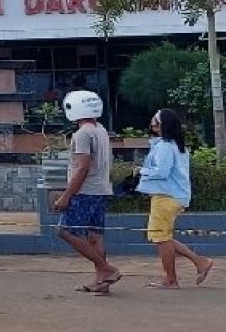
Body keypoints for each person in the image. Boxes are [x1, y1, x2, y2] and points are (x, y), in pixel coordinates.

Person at [51, 89, 121, 295]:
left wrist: (66, 195)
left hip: (84, 191)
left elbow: (82, 167)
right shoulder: (100, 129)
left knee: (65, 231)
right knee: (95, 235)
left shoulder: (82, 134)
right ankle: (102, 281)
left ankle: (107, 270)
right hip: (100, 190)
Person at [136, 109, 214, 289]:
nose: (152, 123)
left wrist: (141, 171)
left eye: (156, 121)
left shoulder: (164, 146)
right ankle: (199, 262)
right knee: (163, 236)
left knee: (161, 238)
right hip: (173, 196)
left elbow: (161, 173)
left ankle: (171, 279)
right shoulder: (176, 145)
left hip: (166, 196)